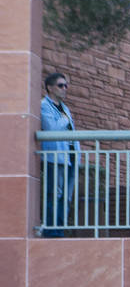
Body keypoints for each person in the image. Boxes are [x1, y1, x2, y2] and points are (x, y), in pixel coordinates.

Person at [39, 72, 81, 237]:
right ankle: (51, 231)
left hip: (70, 157)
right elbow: (51, 129)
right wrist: (64, 118)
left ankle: (60, 230)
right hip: (55, 157)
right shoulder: (44, 105)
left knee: (67, 197)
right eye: (61, 85)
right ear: (50, 88)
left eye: (66, 85)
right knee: (54, 195)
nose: (65, 88)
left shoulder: (65, 108)